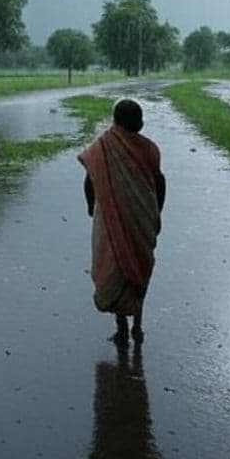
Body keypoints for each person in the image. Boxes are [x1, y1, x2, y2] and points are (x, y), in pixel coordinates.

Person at [78, 98, 166, 345]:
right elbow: (160, 183)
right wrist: (155, 213)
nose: (142, 122)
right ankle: (137, 326)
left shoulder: (103, 146)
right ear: (135, 122)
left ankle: (121, 328)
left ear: (115, 120)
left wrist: (90, 206)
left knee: (116, 266)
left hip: (109, 221)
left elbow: (89, 181)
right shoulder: (149, 148)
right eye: (139, 118)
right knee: (138, 268)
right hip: (142, 220)